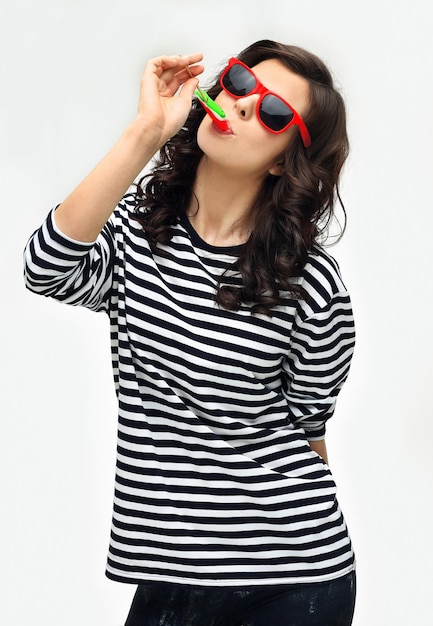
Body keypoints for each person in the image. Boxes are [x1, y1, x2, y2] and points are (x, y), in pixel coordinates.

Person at [23, 39, 356, 626]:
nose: (246, 103)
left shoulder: (307, 281)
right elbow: (45, 268)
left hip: (292, 575)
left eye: (276, 112)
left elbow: (308, 427)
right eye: (239, 81)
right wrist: (145, 133)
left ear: (284, 159)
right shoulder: (135, 236)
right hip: (171, 573)